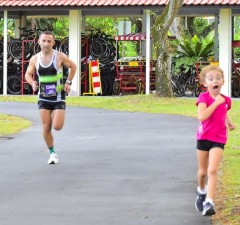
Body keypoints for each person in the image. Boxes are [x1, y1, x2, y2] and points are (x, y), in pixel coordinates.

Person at [25, 31, 77, 164]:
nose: (46, 44)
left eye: (49, 41)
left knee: (57, 126)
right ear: (39, 42)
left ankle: (56, 115)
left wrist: (68, 82)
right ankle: (52, 153)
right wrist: (32, 83)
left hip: (58, 96)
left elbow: (73, 66)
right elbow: (27, 74)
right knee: (46, 126)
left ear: (53, 43)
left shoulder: (59, 56)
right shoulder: (35, 59)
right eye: (44, 41)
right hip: (43, 97)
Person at [194, 65, 236, 216]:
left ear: (223, 81)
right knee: (202, 172)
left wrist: (229, 122)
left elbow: (222, 111)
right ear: (205, 83)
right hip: (203, 137)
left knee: (212, 170)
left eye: (218, 78)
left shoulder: (226, 100)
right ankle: (201, 191)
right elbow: (202, 116)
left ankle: (209, 202)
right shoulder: (203, 98)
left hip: (218, 138)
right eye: (211, 79)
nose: (215, 81)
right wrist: (216, 103)